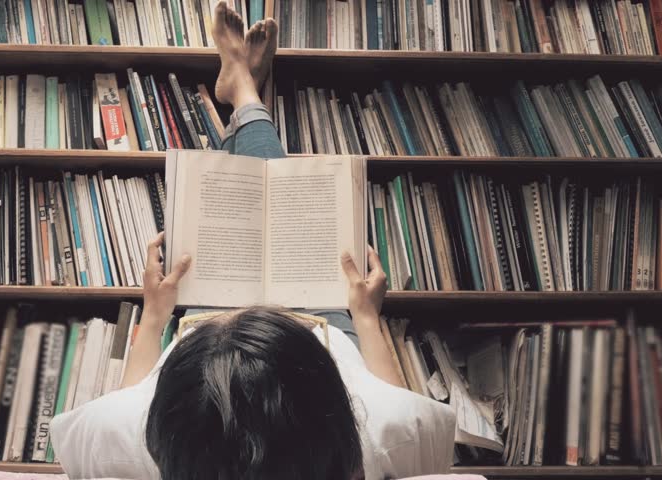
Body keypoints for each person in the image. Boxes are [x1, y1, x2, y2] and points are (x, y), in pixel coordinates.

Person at [49, 3, 455, 479]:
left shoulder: (122, 437)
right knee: (280, 207)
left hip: (212, 342)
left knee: (227, 213)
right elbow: (394, 404)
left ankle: (240, 91)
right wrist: (366, 316)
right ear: (342, 422)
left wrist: (157, 312)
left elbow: (126, 398)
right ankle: (243, 93)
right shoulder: (381, 432)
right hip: (306, 331)